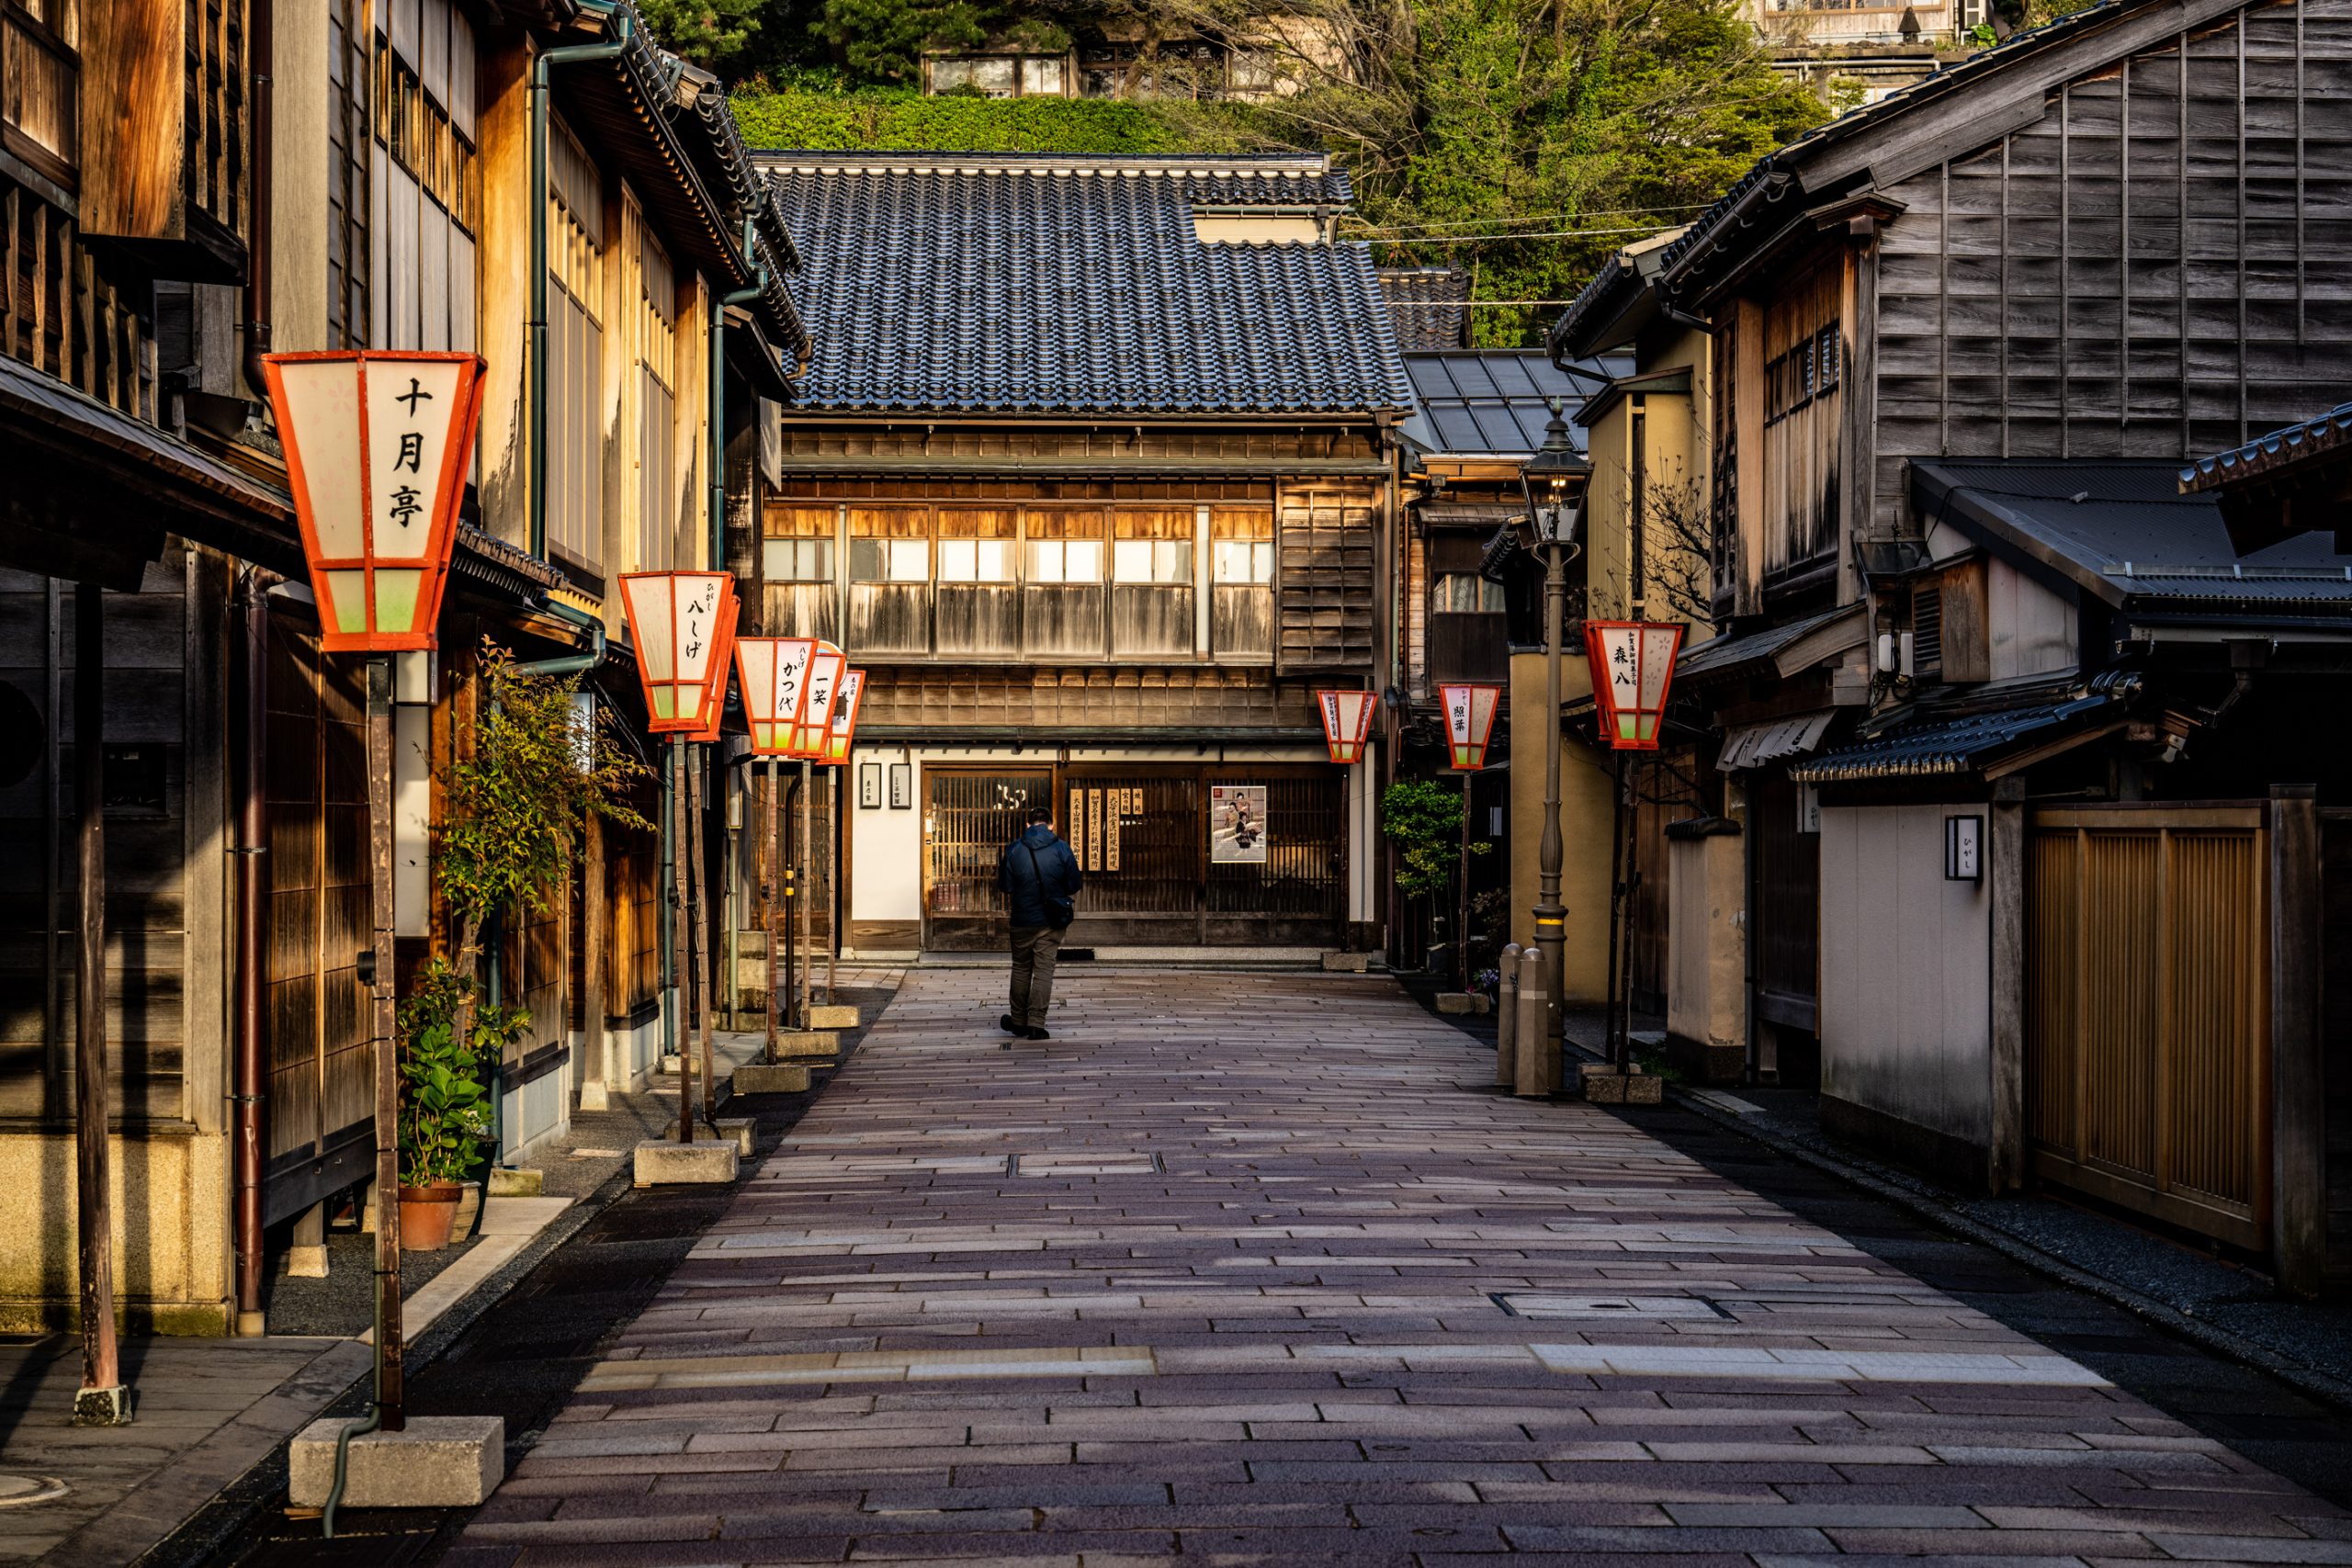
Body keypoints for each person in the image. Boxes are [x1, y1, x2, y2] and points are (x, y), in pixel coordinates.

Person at [997, 804, 1080, 1042]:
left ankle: (1018, 1021)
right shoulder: (1062, 848)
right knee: (1044, 970)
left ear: (1028, 825)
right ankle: (1036, 1024)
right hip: (1051, 920)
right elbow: (1074, 884)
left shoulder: (1015, 848)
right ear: (1051, 825)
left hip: (1022, 919)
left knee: (1021, 968)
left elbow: (1005, 886)